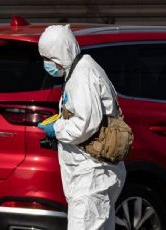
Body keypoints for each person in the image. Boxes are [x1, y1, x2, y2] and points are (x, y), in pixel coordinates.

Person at [37, 25, 126, 230]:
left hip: (92, 175)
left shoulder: (82, 76)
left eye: (48, 58)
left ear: (61, 53)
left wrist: (57, 128)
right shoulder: (79, 72)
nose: (47, 64)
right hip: (91, 174)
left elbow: (85, 125)